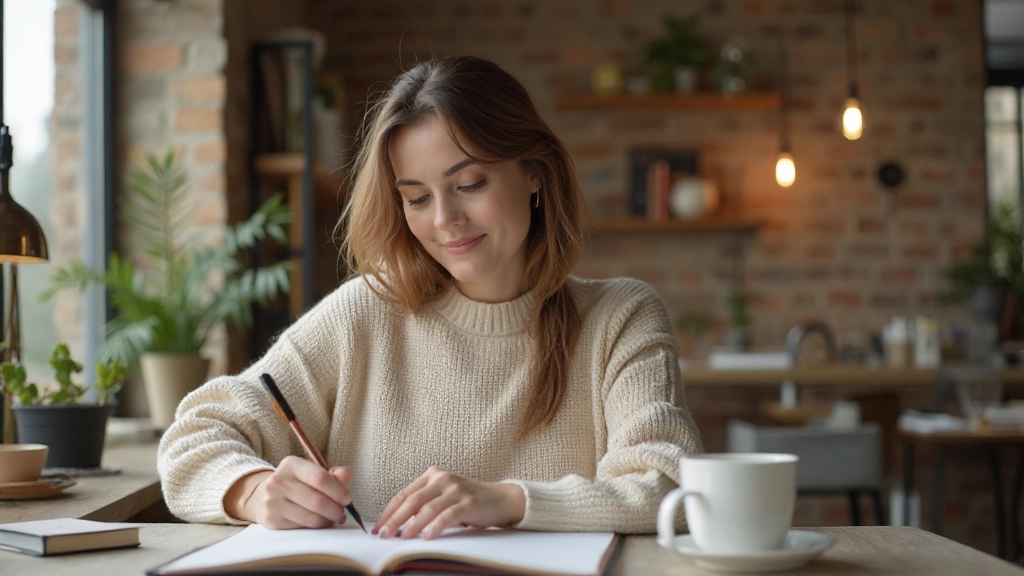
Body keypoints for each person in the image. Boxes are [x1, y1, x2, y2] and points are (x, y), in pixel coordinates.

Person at [157, 55, 702, 538]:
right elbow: (194, 439)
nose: (445, 220)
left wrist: (507, 501)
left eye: (469, 185)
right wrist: (253, 492)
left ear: (533, 174)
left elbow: (669, 483)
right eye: (417, 198)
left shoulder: (620, 317)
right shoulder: (365, 313)